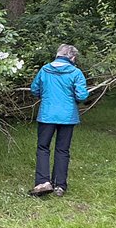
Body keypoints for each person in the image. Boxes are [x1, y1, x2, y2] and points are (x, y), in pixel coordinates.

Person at [30, 44, 90, 197]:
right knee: (62, 150)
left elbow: (34, 89)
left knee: (43, 148)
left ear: (57, 55)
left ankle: (43, 182)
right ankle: (59, 186)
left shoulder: (44, 70)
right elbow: (82, 96)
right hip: (67, 116)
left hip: (47, 114)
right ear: (73, 58)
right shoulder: (76, 72)